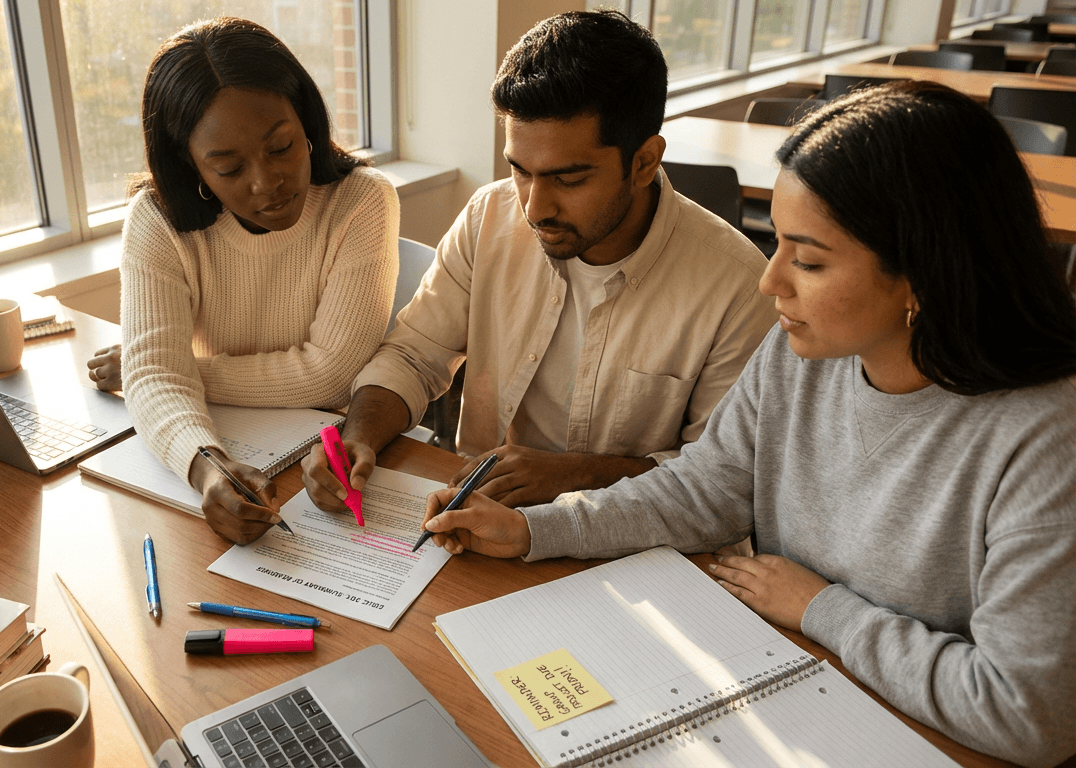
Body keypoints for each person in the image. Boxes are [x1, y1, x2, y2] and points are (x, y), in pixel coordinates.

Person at [416, 81, 1076, 767]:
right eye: (779, 245)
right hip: (797, 687)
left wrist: (822, 608)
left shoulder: (1046, 438)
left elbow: (1028, 715)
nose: (771, 281)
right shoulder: (810, 353)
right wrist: (534, 529)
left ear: (922, 275)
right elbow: (701, 491)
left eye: (810, 260)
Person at [302, 10, 776, 513]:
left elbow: (720, 478)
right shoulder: (490, 214)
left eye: (569, 179)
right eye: (520, 171)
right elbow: (414, 355)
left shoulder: (738, 287)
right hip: (479, 514)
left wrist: (578, 477)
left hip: (632, 543)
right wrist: (359, 438)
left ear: (644, 162)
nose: (533, 208)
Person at [92, 17, 399, 544]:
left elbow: (330, 376)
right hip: (226, 436)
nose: (268, 182)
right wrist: (204, 465)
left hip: (333, 464)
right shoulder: (157, 218)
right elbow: (156, 378)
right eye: (229, 169)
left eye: (281, 146)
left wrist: (170, 370)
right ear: (191, 168)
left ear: (306, 121)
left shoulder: (362, 201)